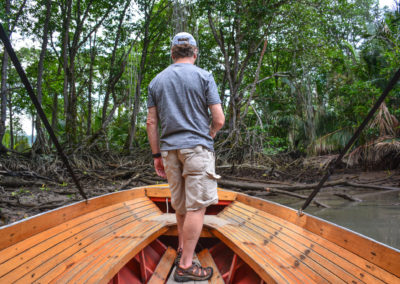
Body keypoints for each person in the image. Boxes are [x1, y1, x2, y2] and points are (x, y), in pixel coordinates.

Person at [146, 32, 225, 282]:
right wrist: (210, 133)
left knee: (181, 207)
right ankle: (186, 265)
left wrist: (156, 155)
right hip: (197, 149)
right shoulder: (204, 76)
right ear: (195, 53)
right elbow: (219, 118)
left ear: (172, 54)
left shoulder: (157, 81)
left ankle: (182, 249)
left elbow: (151, 122)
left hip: (169, 151)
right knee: (196, 208)